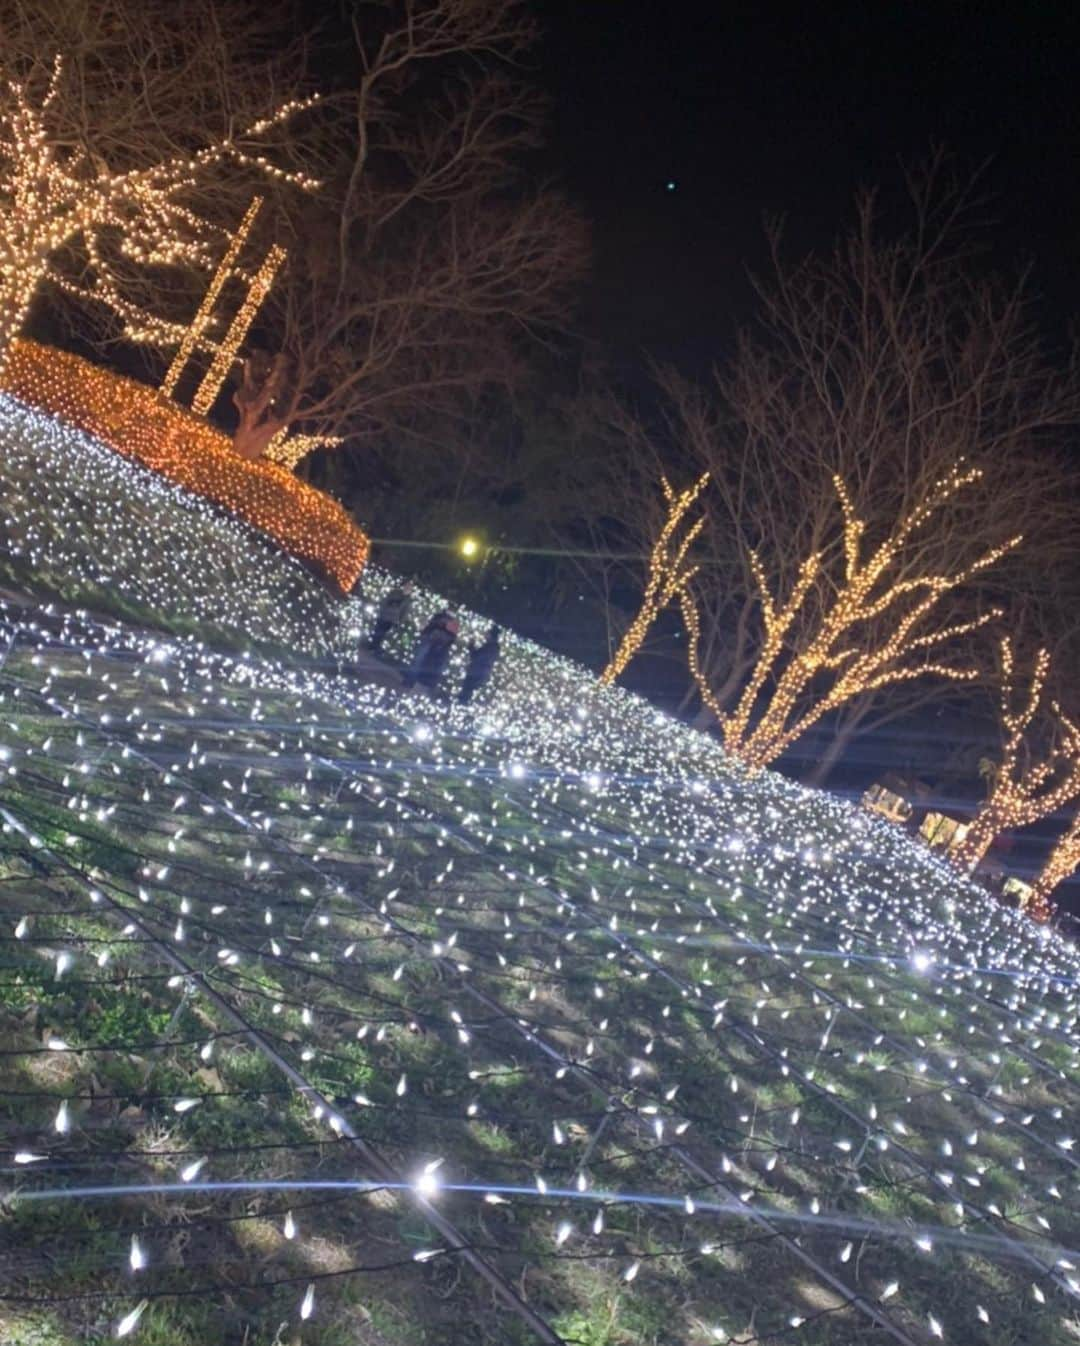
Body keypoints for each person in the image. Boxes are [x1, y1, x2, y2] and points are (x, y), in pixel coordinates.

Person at [403, 607, 459, 692]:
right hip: (431, 641)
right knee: (419, 660)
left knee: (420, 661)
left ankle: (412, 681)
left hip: (435, 644)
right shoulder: (441, 617)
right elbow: (431, 627)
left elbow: (450, 637)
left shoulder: (451, 622)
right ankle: (410, 680)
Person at [367, 580, 414, 655]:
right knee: (378, 631)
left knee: (382, 634)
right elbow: (385, 601)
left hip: (392, 620)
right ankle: (372, 647)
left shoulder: (407, 600)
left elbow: (405, 612)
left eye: (409, 588)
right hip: (384, 616)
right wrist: (381, 611)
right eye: (406, 586)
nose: (407, 588)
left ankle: (375, 648)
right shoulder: (395, 593)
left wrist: (399, 621)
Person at [458, 625, 500, 704]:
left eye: (487, 633)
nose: (485, 635)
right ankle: (463, 700)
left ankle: (463, 701)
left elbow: (476, 656)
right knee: (468, 687)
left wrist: (471, 645)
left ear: (491, 635)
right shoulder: (493, 647)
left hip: (476, 673)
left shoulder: (491, 647)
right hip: (479, 674)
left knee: (468, 687)